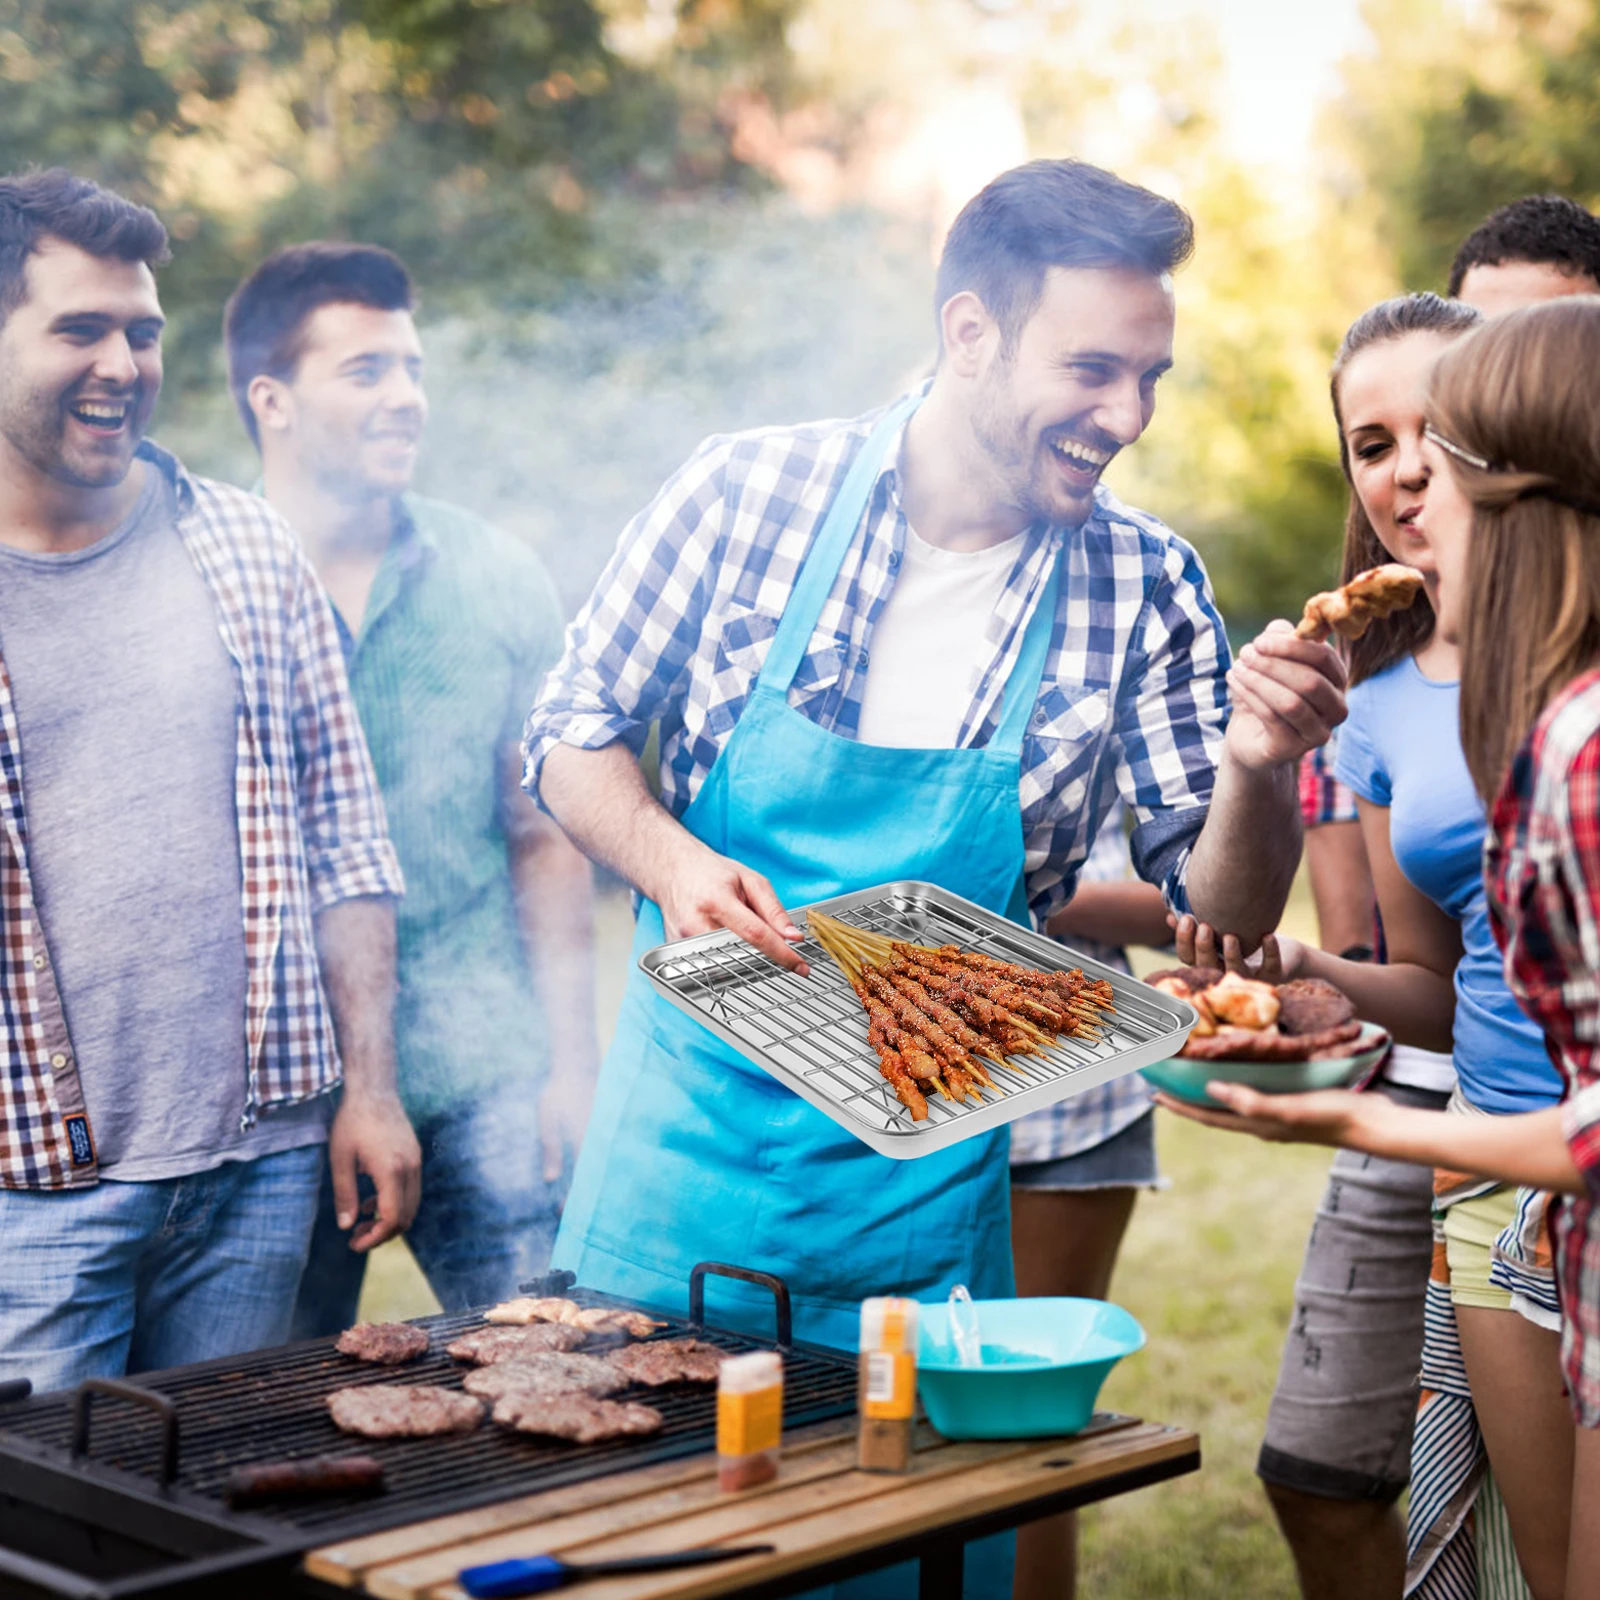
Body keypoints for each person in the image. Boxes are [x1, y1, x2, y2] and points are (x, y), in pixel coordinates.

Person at [525, 147, 1340, 1363]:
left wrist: (1261, 761)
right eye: (1091, 371)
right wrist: (671, 861)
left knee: (906, 1551)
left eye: (1147, 378)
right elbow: (567, 730)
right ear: (970, 332)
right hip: (682, 1161)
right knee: (651, 1533)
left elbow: (1218, 909)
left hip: (922, 1200)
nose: (1126, 417)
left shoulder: (1146, 585)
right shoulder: (745, 492)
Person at [1164, 295, 1600, 1600]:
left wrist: (1361, 1129)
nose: (1412, 491)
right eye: (1376, 448)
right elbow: (1447, 980)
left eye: (1445, 457)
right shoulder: (1403, 702)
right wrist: (1300, 972)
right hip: (1525, 1217)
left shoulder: (1576, 744)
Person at [0, 171, 417, 1393]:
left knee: (214, 1529)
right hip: (28, 1192)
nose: (122, 363)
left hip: (261, 1170)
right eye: (78, 329)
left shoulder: (243, 542)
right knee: (38, 1554)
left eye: (141, 331)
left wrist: (373, 1091)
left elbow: (346, 833)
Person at [223, 243, 601, 1324]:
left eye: (413, 369)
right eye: (365, 371)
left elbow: (544, 834)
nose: (405, 399)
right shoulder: (201, 578)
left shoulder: (496, 573)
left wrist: (569, 1066)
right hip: (269, 1101)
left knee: (556, 1379)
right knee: (249, 1431)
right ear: (272, 400)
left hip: (483, 1069)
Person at [1296, 194, 1600, 968]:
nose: (1413, 468)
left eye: (1440, 429)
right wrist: (1304, 968)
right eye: (1371, 446)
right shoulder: (1369, 697)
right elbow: (1428, 976)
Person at [1009, 800, 1174, 1599]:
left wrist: (1017, 876)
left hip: (1069, 1109)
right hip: (888, 1109)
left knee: (1033, 1417)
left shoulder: (1103, 680)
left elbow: (1186, 909)